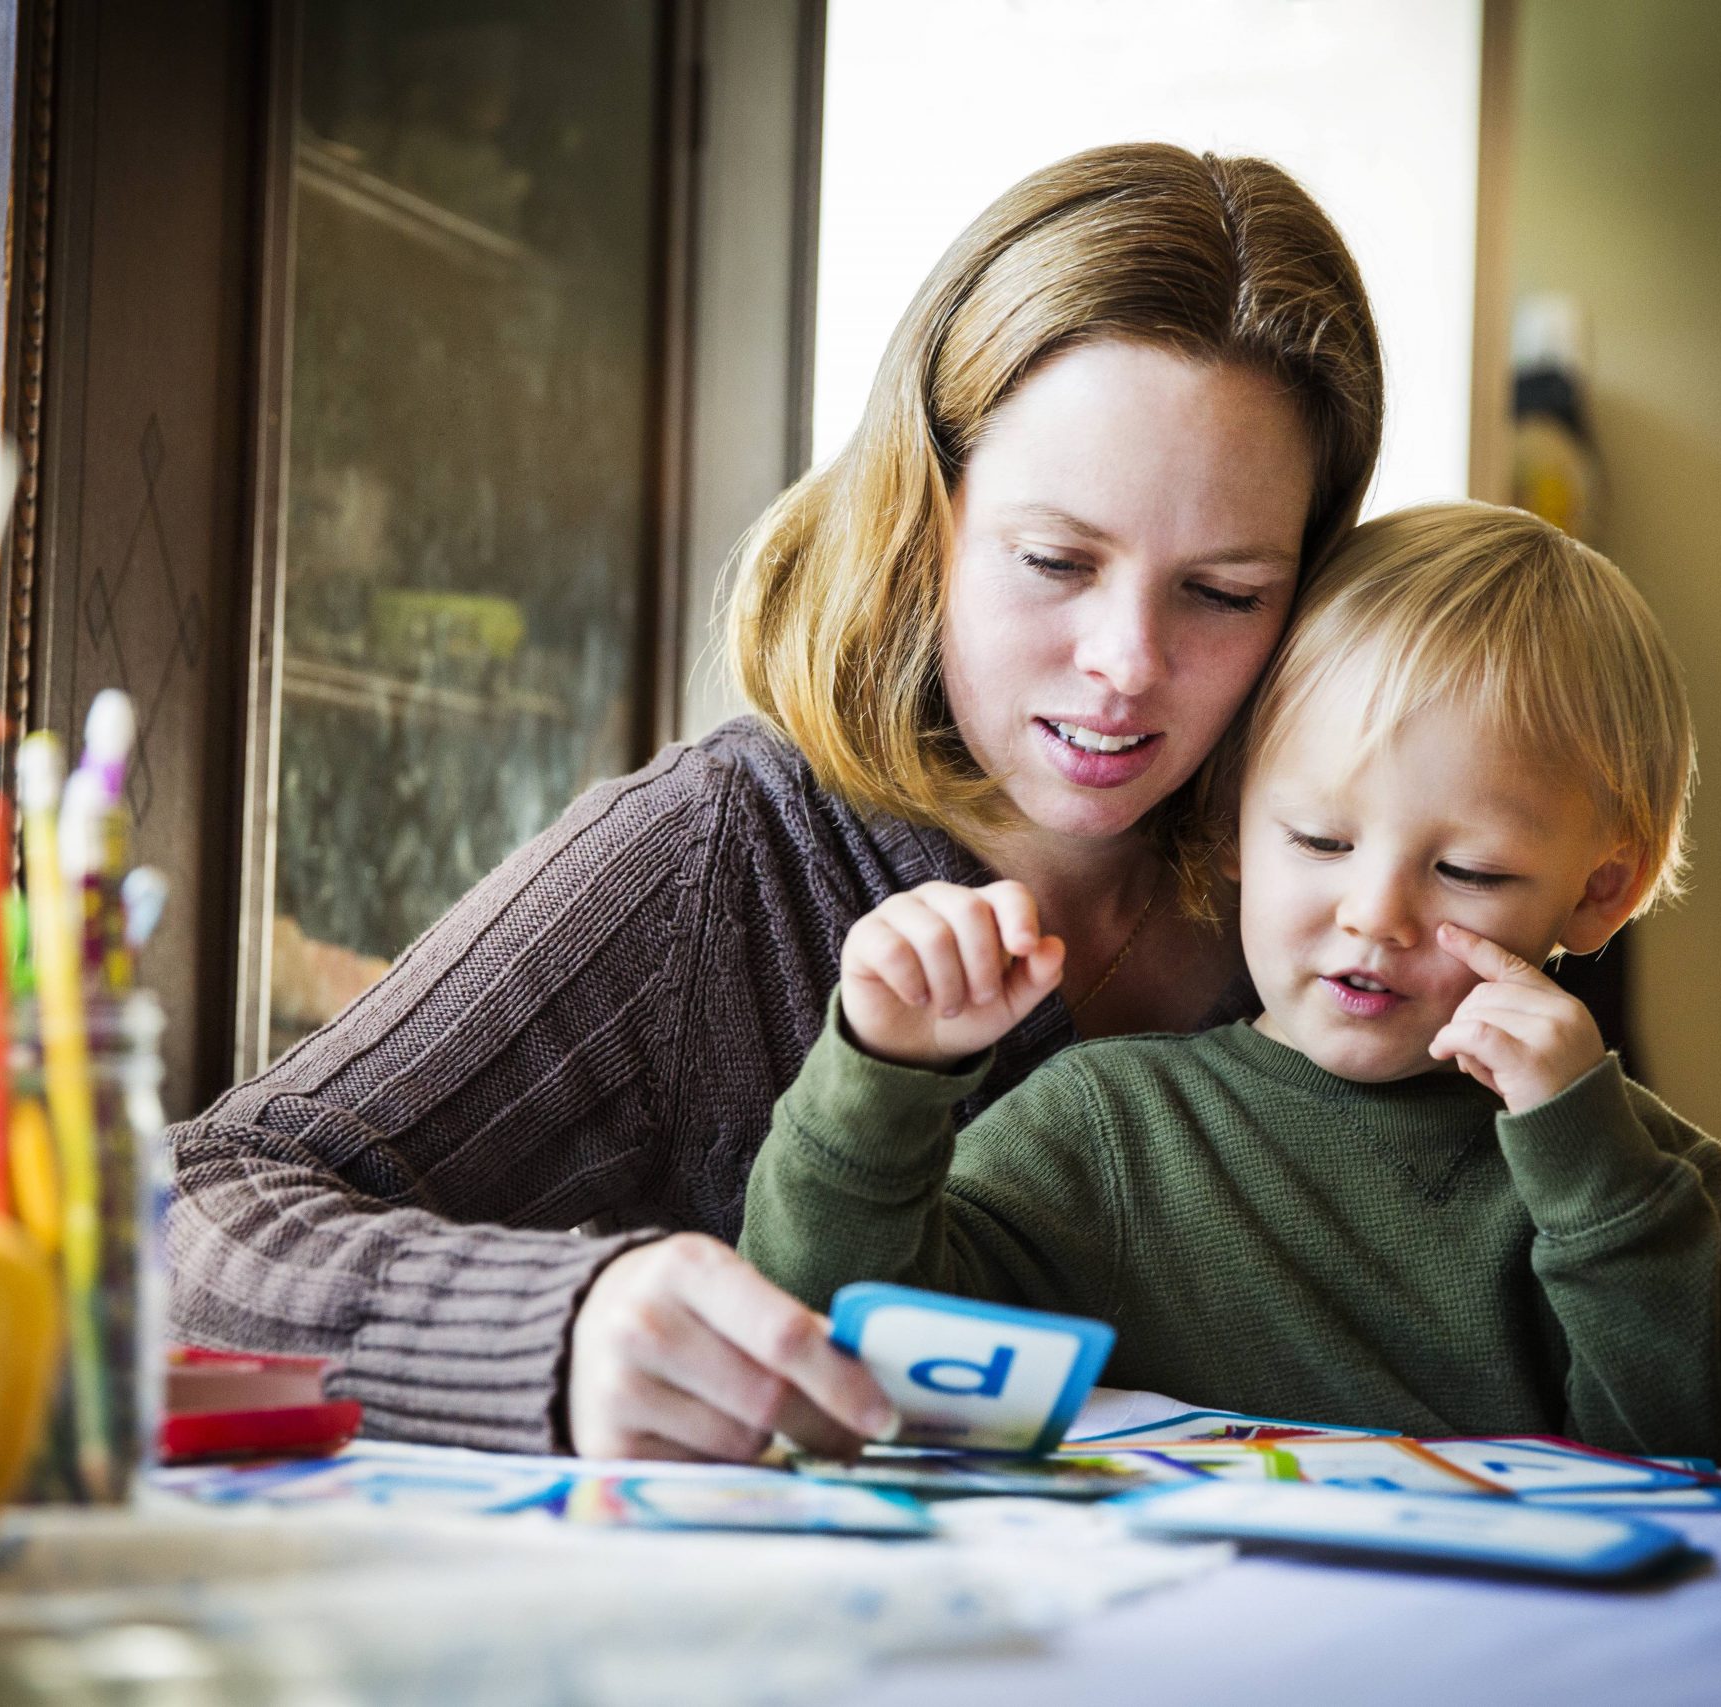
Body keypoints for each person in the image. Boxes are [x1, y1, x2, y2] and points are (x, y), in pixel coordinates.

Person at [166, 142, 1386, 1460]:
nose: (1128, 664)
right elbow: (175, 1210)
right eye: (1053, 559)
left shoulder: (1361, 895)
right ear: (923, 519)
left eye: (1224, 591)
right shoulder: (719, 856)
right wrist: (557, 1328)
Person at [739, 502, 1721, 1473]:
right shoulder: (1114, 1129)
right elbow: (832, 1362)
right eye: (1319, 838)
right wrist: (880, 1077)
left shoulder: (1645, 1178)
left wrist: (1593, 1176)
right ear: (1228, 829)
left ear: (1599, 892)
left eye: (1468, 872)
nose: (1375, 915)